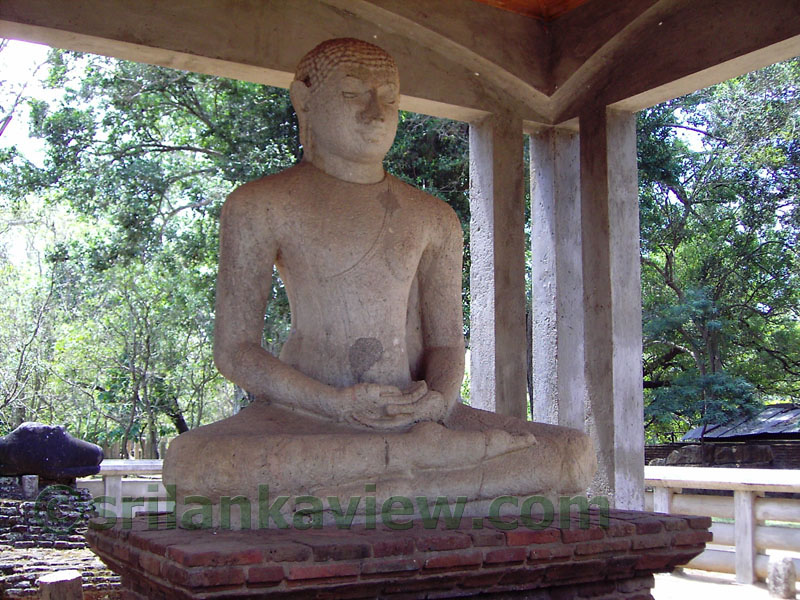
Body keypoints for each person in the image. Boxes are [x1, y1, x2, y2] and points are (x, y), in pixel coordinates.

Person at [163, 38, 594, 526]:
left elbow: (448, 344)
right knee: (193, 463)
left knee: (573, 452)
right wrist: (333, 403)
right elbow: (236, 350)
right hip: (306, 417)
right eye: (353, 94)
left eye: (388, 98)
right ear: (304, 101)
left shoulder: (432, 217)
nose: (375, 112)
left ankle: (387, 476)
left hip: (421, 418)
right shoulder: (261, 205)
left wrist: (438, 401)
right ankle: (429, 471)